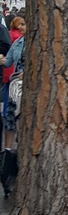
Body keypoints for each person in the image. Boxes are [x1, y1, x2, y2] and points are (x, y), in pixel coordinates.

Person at [1, 16, 25, 151]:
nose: (21, 27)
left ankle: (21, 149)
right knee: (10, 117)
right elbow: (8, 61)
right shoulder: (18, 42)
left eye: (23, 24)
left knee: (22, 117)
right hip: (15, 84)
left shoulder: (35, 41)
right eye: (19, 25)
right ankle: (8, 151)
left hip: (28, 84)